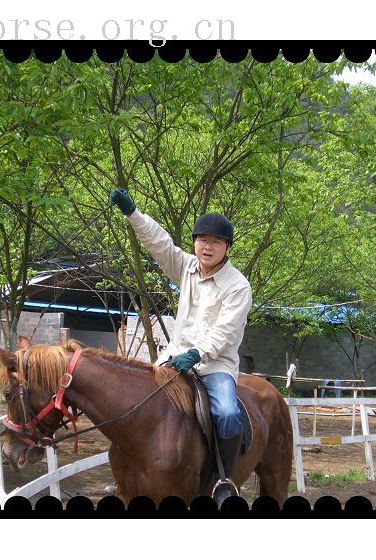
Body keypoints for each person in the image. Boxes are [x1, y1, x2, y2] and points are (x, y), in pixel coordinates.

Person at [110, 188, 252, 506]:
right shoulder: (185, 267)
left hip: (215, 364)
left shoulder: (238, 286)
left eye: (215, 242)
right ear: (194, 242)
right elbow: (158, 242)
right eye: (202, 240)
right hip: (174, 358)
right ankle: (129, 472)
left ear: (227, 247)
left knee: (228, 414)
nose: (207, 246)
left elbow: (226, 332)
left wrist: (197, 353)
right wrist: (132, 213)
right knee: (137, 403)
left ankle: (224, 480)